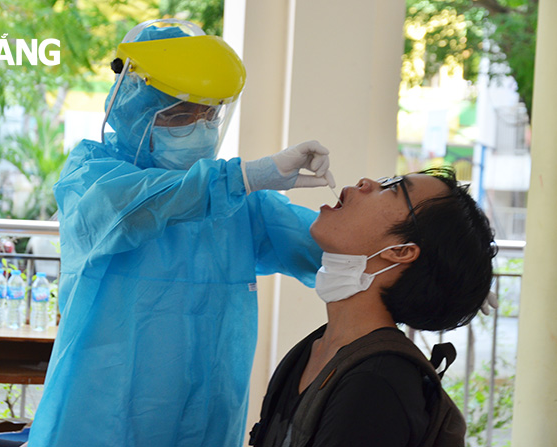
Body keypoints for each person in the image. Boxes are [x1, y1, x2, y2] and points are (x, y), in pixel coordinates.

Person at [26, 19, 335, 447]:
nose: (201, 125)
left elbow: (322, 246)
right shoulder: (93, 174)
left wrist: (385, 233)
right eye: (180, 113)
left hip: (205, 422)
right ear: (133, 107)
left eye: (211, 113)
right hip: (100, 418)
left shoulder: (235, 198)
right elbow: (136, 207)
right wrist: (246, 177)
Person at [249, 167, 497, 447]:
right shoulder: (313, 350)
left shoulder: (376, 384)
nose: (365, 182)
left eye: (392, 188)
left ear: (401, 251)